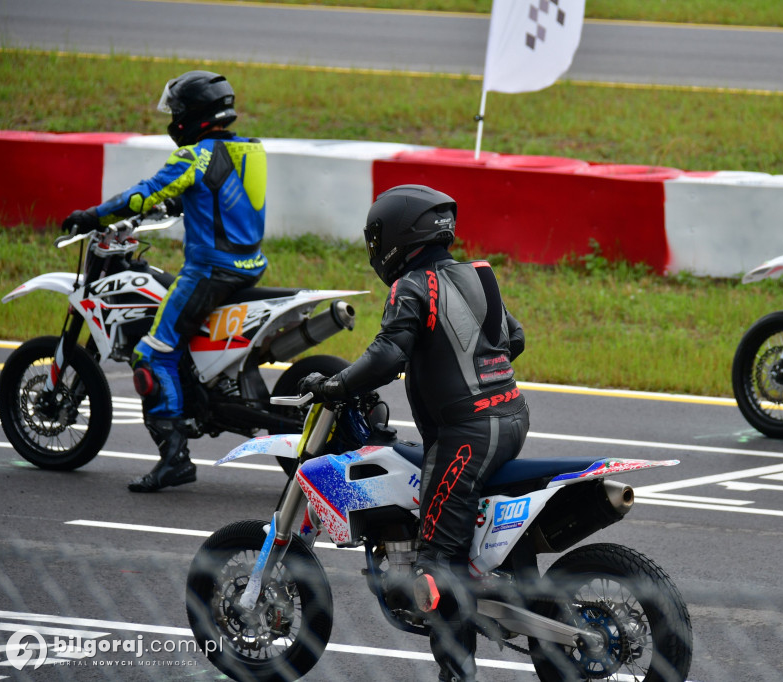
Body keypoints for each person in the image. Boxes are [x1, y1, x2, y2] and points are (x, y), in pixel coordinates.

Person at [298, 184, 529, 681]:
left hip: (466, 436)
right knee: (463, 536)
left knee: (435, 565)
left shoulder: (413, 286)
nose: (376, 248)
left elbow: (387, 355)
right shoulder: (478, 275)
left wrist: (336, 383)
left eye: (378, 237)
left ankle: (457, 675)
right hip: (510, 419)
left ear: (401, 236)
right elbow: (514, 338)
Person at [60, 70, 268, 491]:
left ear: (191, 116)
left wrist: (92, 215)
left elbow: (141, 195)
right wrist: (180, 197)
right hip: (248, 266)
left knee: (152, 355)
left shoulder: (195, 156)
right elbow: (224, 192)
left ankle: (174, 457)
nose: (171, 119)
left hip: (210, 270)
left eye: (175, 112)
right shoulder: (251, 149)